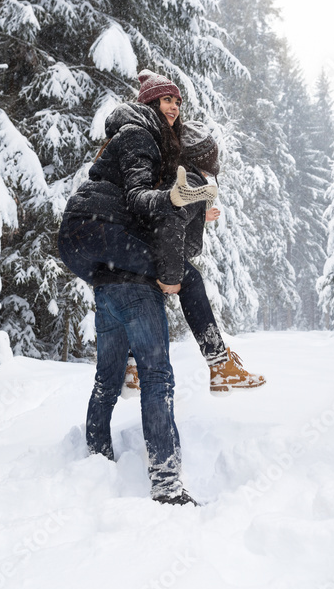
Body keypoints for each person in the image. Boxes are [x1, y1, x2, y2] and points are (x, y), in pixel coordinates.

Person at [61, 70, 265, 397]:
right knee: (184, 277)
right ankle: (217, 364)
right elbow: (163, 219)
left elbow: (146, 204)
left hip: (95, 234)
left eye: (177, 102)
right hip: (100, 230)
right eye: (168, 100)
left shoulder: (140, 140)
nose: (175, 108)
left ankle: (129, 369)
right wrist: (181, 209)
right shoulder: (145, 141)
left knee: (134, 280)